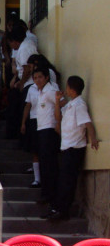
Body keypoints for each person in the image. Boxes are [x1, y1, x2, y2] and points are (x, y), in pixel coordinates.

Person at [45, 76, 99, 221]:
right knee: (62, 180)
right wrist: (57, 100)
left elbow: (87, 123)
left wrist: (93, 138)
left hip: (74, 149)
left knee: (68, 181)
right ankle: (58, 208)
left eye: (67, 87)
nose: (66, 89)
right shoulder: (71, 104)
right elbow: (58, 117)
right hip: (66, 147)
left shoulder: (80, 105)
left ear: (71, 89)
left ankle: (63, 211)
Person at [29, 67, 60, 208]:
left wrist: (58, 123)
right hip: (41, 129)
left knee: (49, 165)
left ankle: (51, 195)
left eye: (40, 77)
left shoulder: (50, 91)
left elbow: (62, 103)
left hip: (49, 130)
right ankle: (46, 194)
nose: (37, 80)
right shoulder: (40, 92)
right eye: (35, 78)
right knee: (44, 164)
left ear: (46, 77)